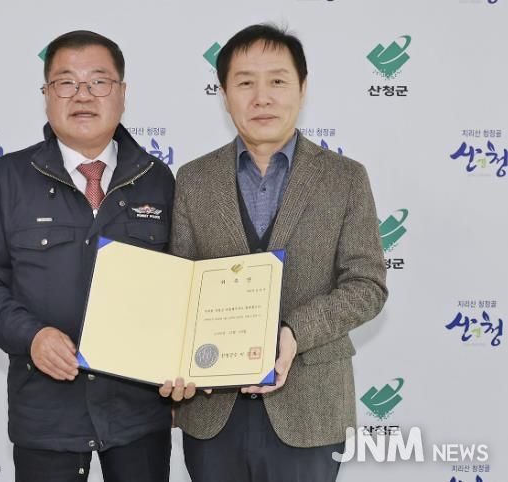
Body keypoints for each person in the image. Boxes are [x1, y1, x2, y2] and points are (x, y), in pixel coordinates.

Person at [160, 24, 388, 482]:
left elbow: (368, 286)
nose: (261, 97)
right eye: (245, 82)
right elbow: (178, 289)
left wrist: (293, 332)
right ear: (224, 95)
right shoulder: (193, 179)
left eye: (278, 81)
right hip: (212, 410)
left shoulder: (344, 178)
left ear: (302, 88)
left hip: (310, 409)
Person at [0, 30, 175, 482]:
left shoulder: (158, 180)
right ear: (46, 95)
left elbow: (182, 289)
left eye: (98, 81)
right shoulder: (7, 178)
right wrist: (32, 337)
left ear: (122, 94)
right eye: (66, 83)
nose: (83, 95)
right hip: (47, 416)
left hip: (138, 415)